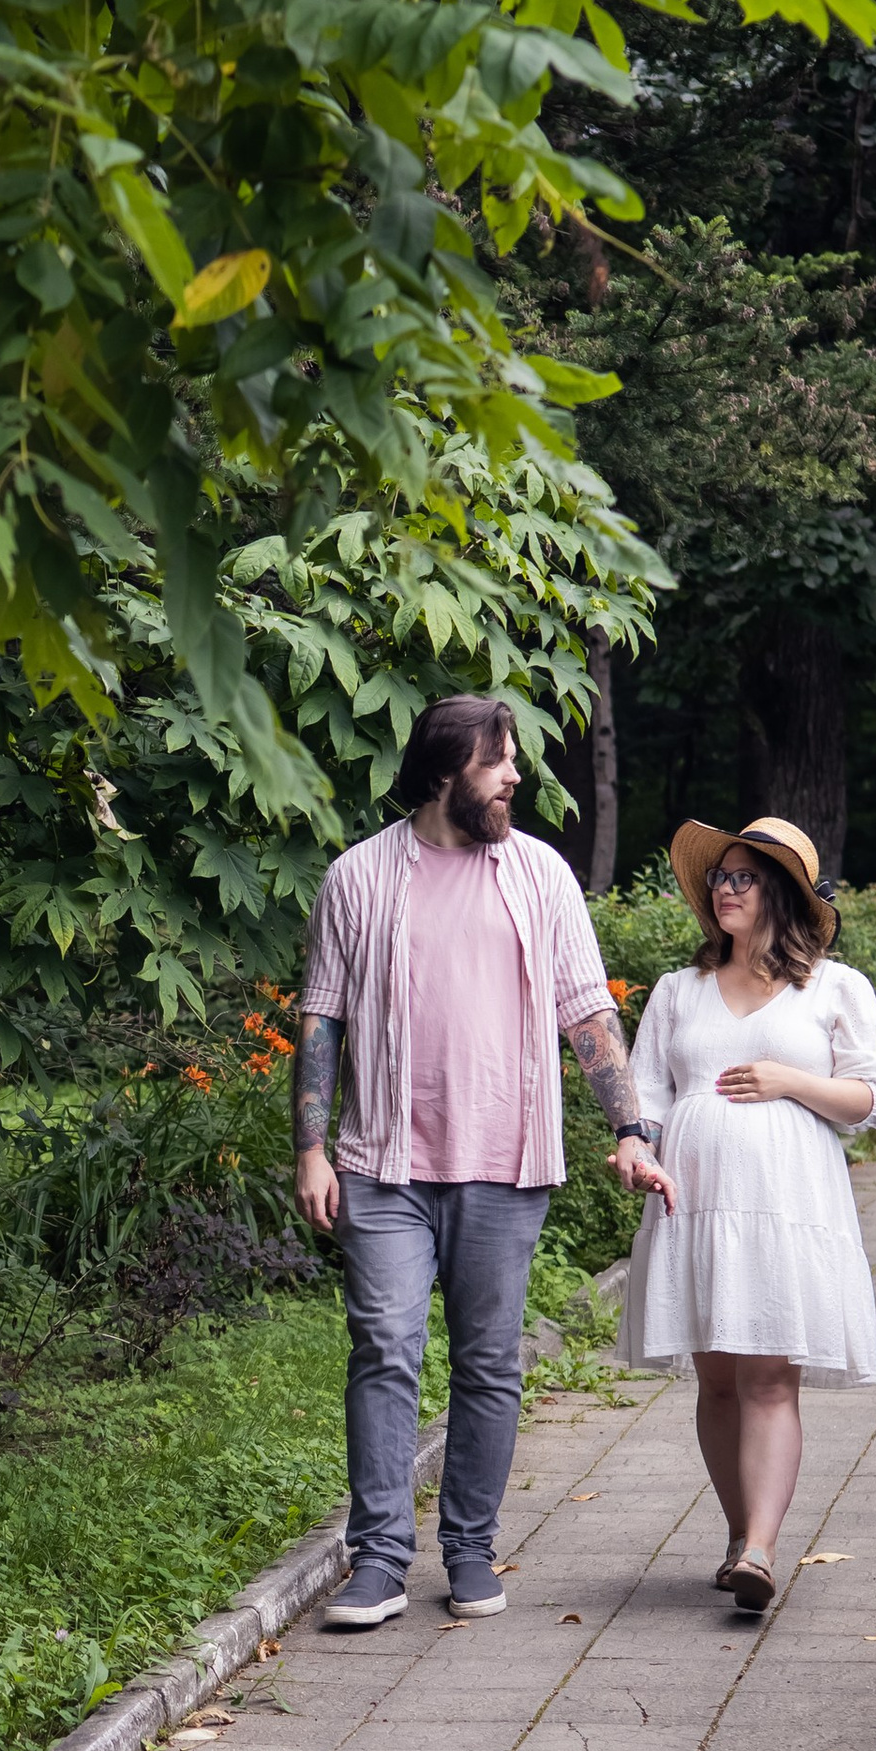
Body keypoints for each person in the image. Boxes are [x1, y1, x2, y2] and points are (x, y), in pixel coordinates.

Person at [294, 693, 658, 1628]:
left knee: (489, 1361)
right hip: (382, 1162)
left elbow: (587, 1010)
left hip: (505, 1161)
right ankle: (379, 1560)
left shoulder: (540, 874)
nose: (515, 777)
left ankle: (468, 1549)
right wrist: (311, 1148)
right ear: (446, 769)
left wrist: (630, 1128)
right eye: (499, 761)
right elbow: (322, 1016)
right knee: (384, 1347)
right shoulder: (357, 877)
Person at [612, 814, 876, 1613]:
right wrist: (635, 1148)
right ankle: (742, 1538)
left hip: (787, 1203)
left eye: (743, 877)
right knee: (718, 1382)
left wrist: (788, 1081)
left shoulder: (834, 988)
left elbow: (871, 1098)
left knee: (770, 1376)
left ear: (782, 893)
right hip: (697, 1205)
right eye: (719, 877)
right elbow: (647, 1098)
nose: (724, 889)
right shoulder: (679, 991)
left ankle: (762, 1549)